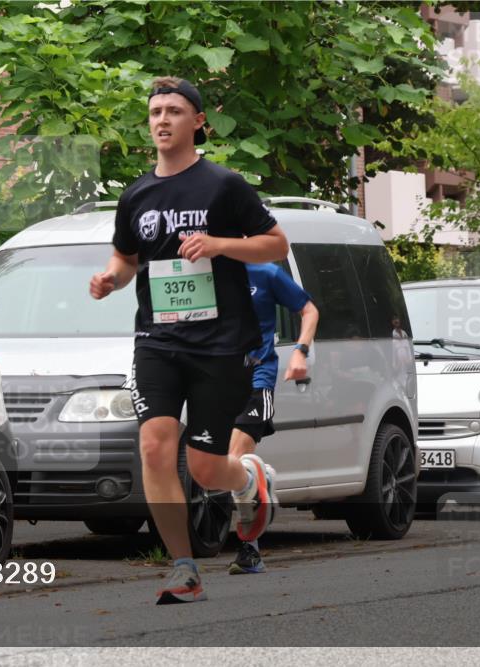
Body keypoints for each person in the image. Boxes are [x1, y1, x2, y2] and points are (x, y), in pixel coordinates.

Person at [89, 76, 288, 604]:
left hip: (222, 344)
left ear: (198, 122)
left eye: (174, 111)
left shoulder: (223, 185)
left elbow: (275, 243)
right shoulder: (136, 194)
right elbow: (128, 258)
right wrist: (111, 278)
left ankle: (246, 482)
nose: (162, 120)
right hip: (157, 339)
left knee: (204, 467)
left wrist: (220, 244)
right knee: (155, 444)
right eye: (155, 111)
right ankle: (184, 567)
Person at [228, 262, 319, 574]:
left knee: (236, 457)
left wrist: (300, 351)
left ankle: (249, 550)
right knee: (218, 469)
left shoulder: (266, 273)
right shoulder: (201, 272)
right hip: (214, 383)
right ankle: (259, 480)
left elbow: (309, 310)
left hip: (257, 379)